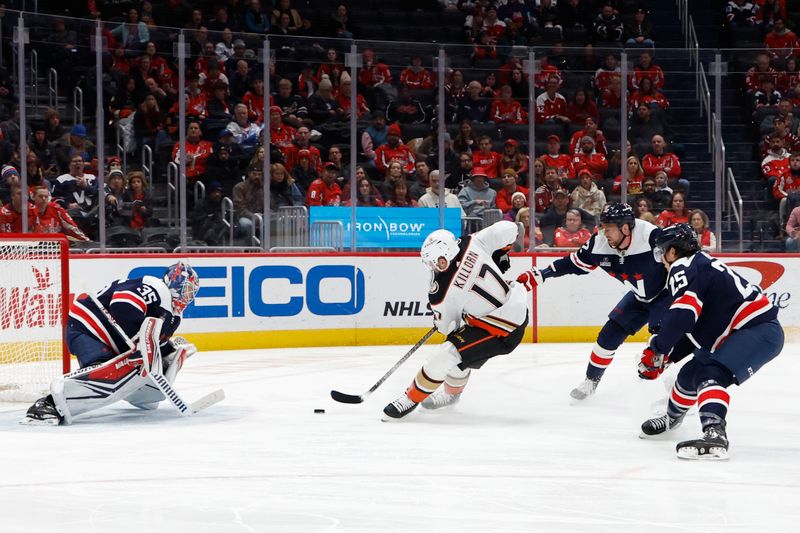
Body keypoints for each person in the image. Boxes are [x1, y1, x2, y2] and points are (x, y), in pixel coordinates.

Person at [638, 224, 783, 460]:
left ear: (673, 251)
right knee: (688, 374)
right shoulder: (698, 264)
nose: (661, 259)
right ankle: (672, 419)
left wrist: (657, 350)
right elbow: (691, 330)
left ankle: (715, 434)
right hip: (743, 331)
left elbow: (683, 315)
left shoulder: (682, 267)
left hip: (756, 330)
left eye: (661, 252)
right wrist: (667, 358)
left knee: (710, 374)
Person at [516, 203, 671, 400]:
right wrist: (542, 274)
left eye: (609, 228)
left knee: (661, 340)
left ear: (625, 228)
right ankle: (591, 381)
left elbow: (680, 260)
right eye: (603, 227)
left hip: (667, 295)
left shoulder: (651, 237)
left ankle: (674, 390)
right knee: (607, 337)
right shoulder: (599, 243)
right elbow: (572, 263)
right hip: (639, 296)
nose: (605, 233)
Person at [22, 262, 201, 425]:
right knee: (102, 373)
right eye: (186, 289)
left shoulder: (173, 317)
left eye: (191, 293)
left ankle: (138, 391)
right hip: (87, 329)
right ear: (174, 282)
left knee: (126, 368)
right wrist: (139, 343)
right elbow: (122, 305)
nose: (188, 296)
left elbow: (153, 342)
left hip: (111, 341)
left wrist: (167, 351)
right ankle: (47, 405)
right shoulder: (156, 288)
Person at [382, 222, 528, 420]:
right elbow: (510, 228)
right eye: (431, 264)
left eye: (438, 261)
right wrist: (502, 252)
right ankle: (451, 396)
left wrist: (441, 318)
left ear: (449, 252)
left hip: (504, 331)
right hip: (514, 308)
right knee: (459, 351)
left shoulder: (440, 293)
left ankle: (410, 399)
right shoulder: (471, 242)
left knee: (446, 353)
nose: (435, 267)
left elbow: (447, 327)